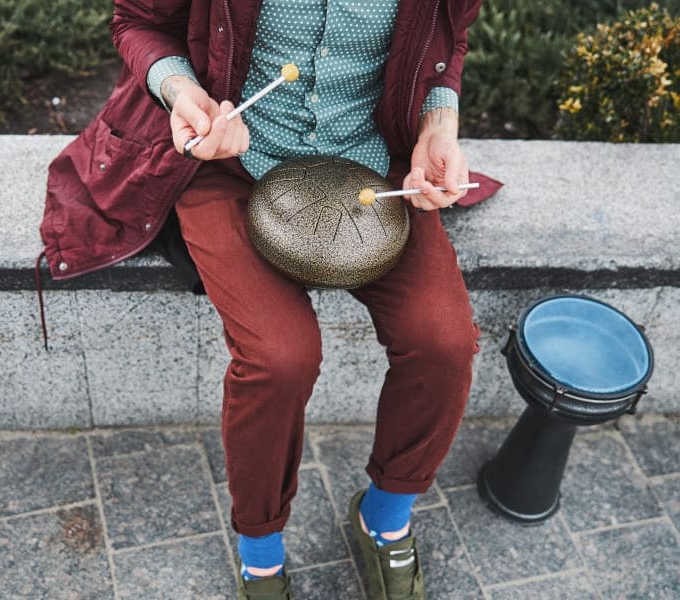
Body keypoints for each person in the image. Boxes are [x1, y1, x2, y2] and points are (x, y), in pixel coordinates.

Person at [40, 1, 495, 598]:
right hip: (228, 164)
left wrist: (438, 127)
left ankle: (384, 517)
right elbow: (138, 22)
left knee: (444, 341)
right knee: (280, 357)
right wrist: (182, 92)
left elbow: (446, 38)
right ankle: (260, 550)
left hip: (372, 164)